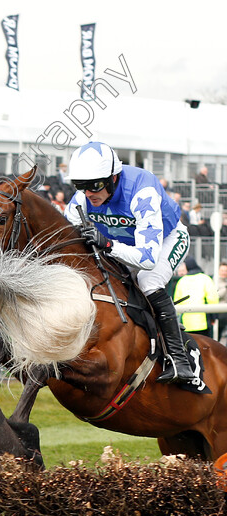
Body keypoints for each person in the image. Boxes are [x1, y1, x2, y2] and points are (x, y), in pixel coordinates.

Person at [65, 141, 194, 385]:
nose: (88, 192)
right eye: (80, 186)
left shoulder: (142, 190)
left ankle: (179, 360)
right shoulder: (82, 198)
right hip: (123, 245)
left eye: (95, 185)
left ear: (114, 178)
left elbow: (146, 259)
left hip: (166, 240)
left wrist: (109, 245)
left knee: (148, 280)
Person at [173, 257, 218, 338]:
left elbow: (177, 302)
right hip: (203, 323)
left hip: (186, 324)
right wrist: (214, 317)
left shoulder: (181, 281)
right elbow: (213, 299)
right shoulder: (205, 278)